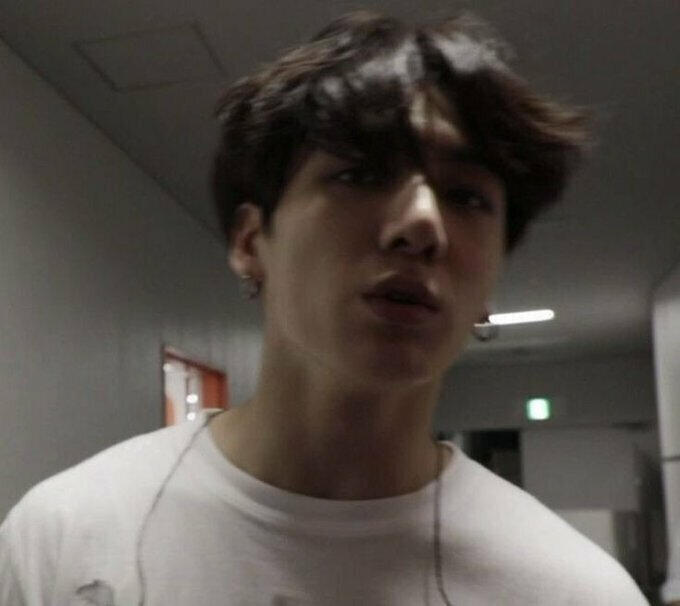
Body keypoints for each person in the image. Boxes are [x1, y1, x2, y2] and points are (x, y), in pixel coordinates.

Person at [0, 10, 649, 605]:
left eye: (467, 197)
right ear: (251, 242)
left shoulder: (572, 592)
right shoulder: (68, 539)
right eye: (360, 174)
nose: (423, 224)